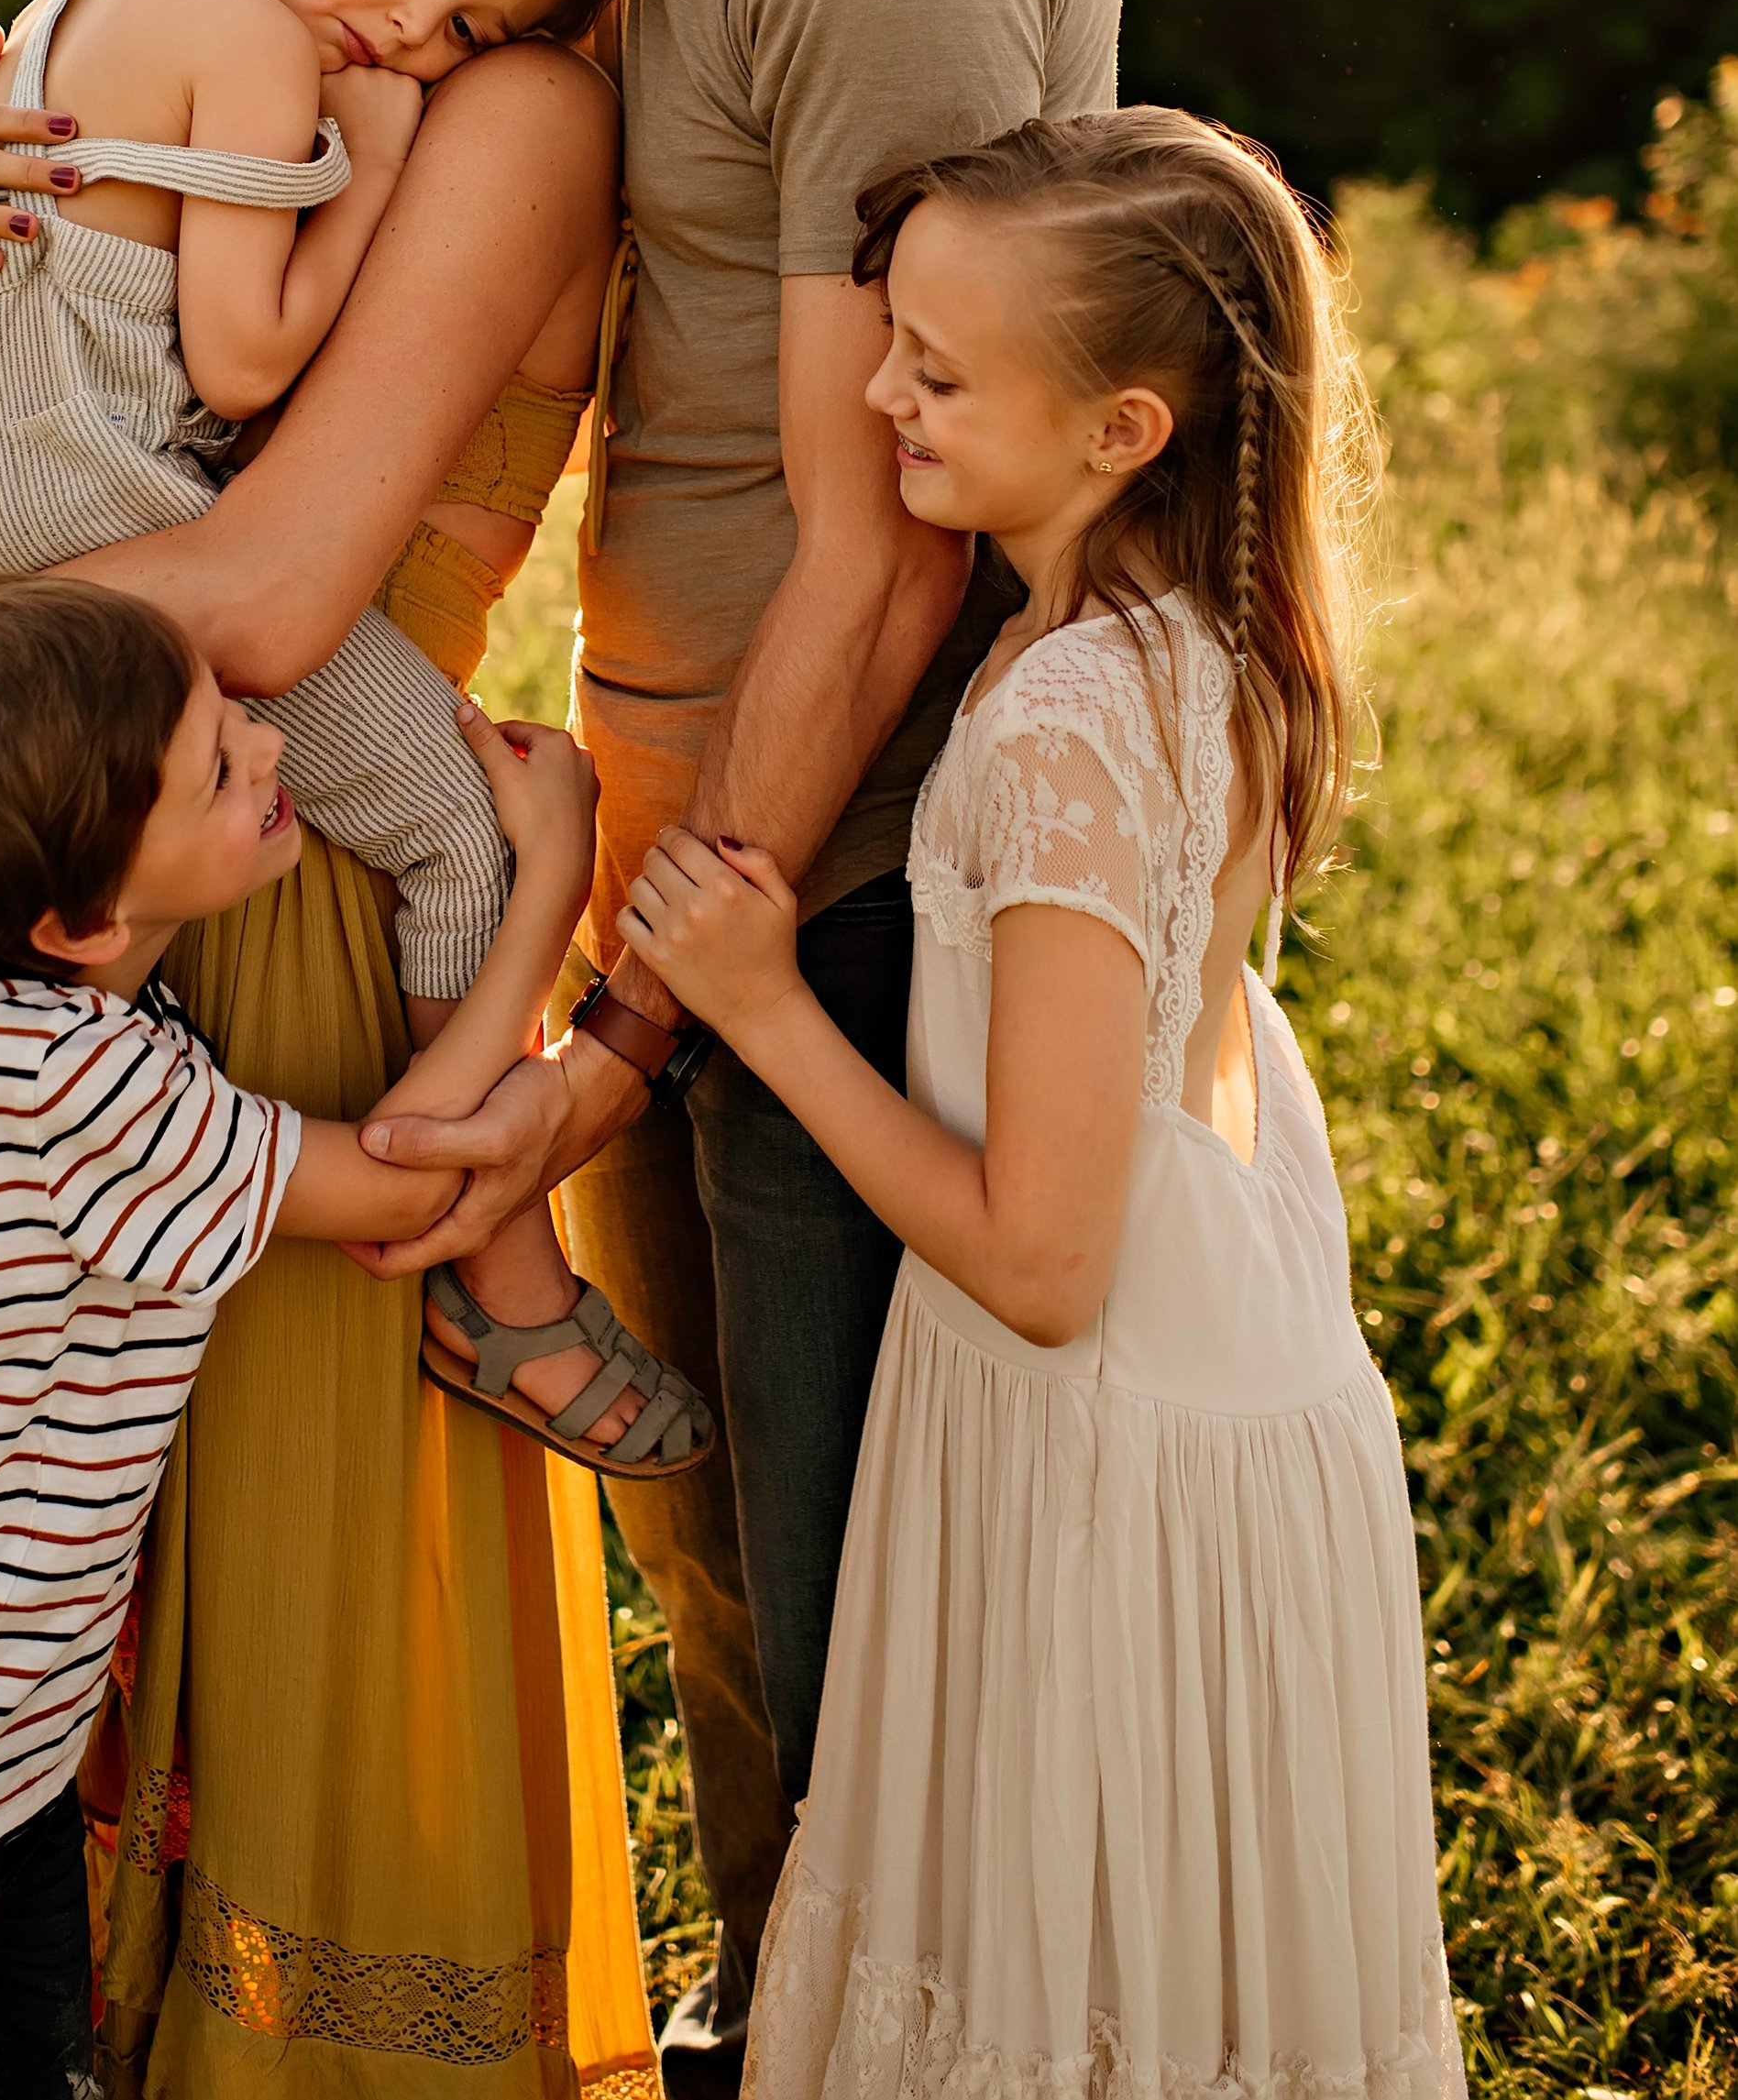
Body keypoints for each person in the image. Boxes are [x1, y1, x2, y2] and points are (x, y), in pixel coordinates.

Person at [319, 0, 1120, 2086]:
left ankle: (869, 2041)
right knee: (737, 1565)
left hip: (854, 883)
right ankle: (779, 2014)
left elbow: (879, 543)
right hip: (702, 836)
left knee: (825, 1556)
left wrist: (643, 1023)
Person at [0, 0, 666, 2099]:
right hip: (88, 844)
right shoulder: (179, 43)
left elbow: (280, 595)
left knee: (276, 1573)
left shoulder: (482, 96)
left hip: (268, 856)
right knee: (24, 1519)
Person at [623, 110, 1463, 2100]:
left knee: (1061, 1961)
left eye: (937, 368)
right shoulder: (1190, 647)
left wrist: (755, 1004)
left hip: (1100, 1422)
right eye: (887, 336)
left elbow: (1041, 1258)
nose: (879, 390)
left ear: (1119, 432)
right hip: (1214, 1361)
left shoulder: (1071, 719)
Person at [0, 569, 600, 2100]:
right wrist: (543, 880)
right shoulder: (84, 1096)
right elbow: (401, 1172)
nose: (269, 741)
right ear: (85, 914)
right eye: (218, 765)